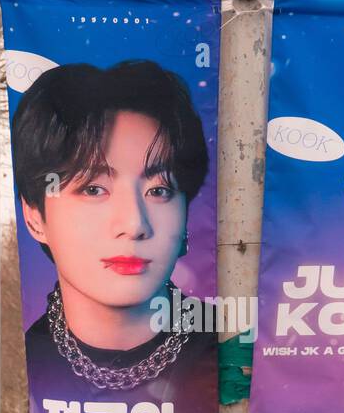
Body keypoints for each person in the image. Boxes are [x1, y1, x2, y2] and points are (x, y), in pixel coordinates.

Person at [11, 60, 215, 393]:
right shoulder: (22, 366)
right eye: (93, 189)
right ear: (34, 215)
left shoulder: (228, 351)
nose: (134, 224)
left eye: (158, 191)